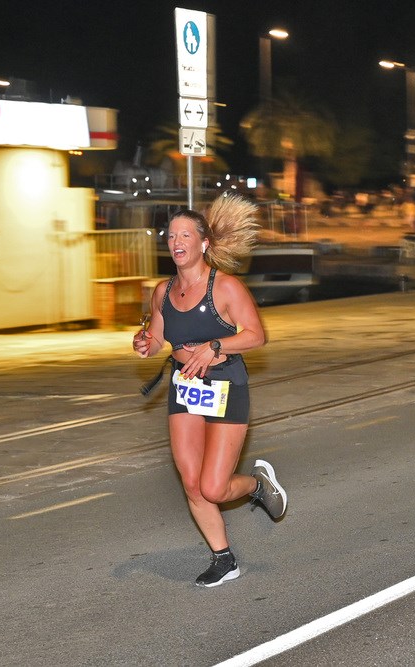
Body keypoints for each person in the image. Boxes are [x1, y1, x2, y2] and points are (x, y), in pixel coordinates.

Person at [133, 195, 288, 587]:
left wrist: (215, 346)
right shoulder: (162, 292)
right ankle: (224, 558)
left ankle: (258, 485)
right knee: (191, 482)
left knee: (214, 487)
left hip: (225, 386)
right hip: (185, 387)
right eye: (171, 236)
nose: (176, 241)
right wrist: (145, 343)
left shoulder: (226, 287)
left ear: (203, 243)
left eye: (185, 235)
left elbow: (256, 336)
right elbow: (157, 339)